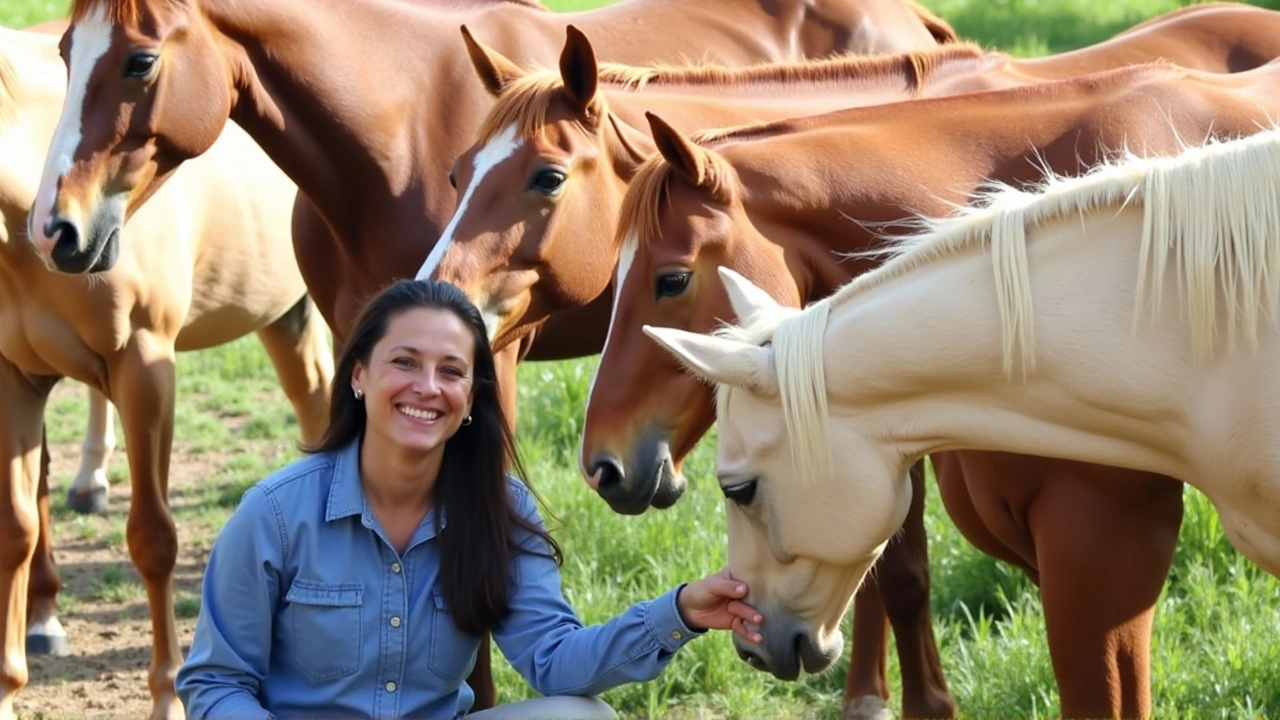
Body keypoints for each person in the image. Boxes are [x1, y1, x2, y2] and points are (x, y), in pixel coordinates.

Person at [175, 279, 764, 720]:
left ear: (471, 396)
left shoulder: (498, 512)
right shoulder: (275, 514)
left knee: (582, 717)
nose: (427, 388)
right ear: (358, 376)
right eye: (404, 362)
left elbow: (555, 662)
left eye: (451, 371)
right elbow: (217, 685)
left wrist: (681, 611)